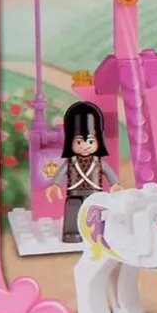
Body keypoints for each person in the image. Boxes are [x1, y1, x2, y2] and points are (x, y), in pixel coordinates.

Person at [46, 101, 120, 242]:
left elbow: (109, 173)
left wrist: (115, 184)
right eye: (79, 142)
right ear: (70, 142)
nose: (85, 146)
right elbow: (60, 173)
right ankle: (72, 232)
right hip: (75, 193)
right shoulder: (71, 163)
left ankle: (98, 233)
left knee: (96, 212)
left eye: (90, 141)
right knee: (73, 210)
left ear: (98, 141)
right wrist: (55, 185)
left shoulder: (98, 163)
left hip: (94, 193)